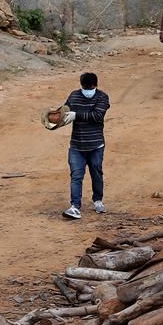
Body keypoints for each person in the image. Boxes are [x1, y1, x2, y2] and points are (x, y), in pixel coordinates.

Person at [61, 72, 110, 220]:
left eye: (89, 87)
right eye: (85, 87)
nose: (87, 90)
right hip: (77, 145)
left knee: (96, 172)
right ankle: (75, 207)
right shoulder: (74, 96)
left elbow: (98, 116)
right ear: (81, 86)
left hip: (96, 145)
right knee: (76, 175)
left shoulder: (102, 97)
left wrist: (77, 115)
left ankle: (98, 200)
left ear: (95, 86)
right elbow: (65, 111)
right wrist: (53, 117)